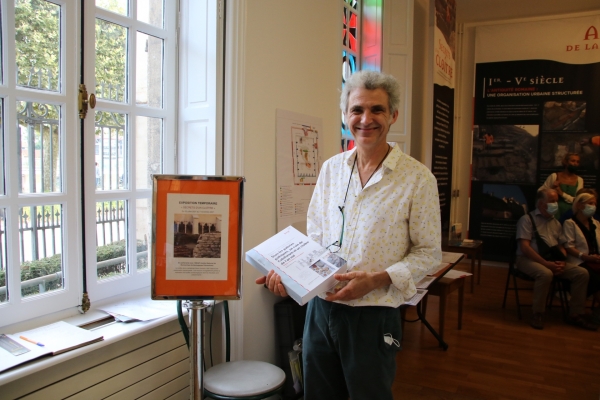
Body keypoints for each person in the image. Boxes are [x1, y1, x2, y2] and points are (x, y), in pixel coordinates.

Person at [255, 70, 442, 399]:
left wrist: (377, 278)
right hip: (320, 310)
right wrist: (288, 275)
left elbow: (428, 253)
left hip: (373, 316)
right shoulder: (331, 169)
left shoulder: (418, 179)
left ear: (393, 115)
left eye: (377, 110)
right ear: (345, 116)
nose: (366, 119)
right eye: (357, 110)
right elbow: (313, 241)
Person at [515, 188, 594, 330]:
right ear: (541, 204)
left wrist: (562, 260)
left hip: (551, 259)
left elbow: (561, 245)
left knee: (582, 273)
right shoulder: (526, 220)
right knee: (545, 273)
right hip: (527, 259)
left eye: (556, 201)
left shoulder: (556, 223)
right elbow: (525, 247)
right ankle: (537, 313)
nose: (556, 204)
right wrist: (546, 264)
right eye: (552, 201)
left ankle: (575, 314)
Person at [560, 191, 600, 321]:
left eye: (595, 203)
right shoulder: (570, 223)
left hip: (595, 259)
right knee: (593, 277)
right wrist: (585, 256)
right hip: (579, 260)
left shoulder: (596, 224)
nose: (593, 206)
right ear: (579, 205)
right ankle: (577, 313)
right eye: (590, 203)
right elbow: (569, 247)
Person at [538, 152, 583, 220]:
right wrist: (551, 189)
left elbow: (578, 200)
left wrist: (562, 194)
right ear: (566, 162)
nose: (575, 164)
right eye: (573, 161)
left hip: (571, 214)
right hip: (554, 212)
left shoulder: (579, 180)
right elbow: (540, 192)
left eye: (577, 162)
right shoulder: (554, 176)